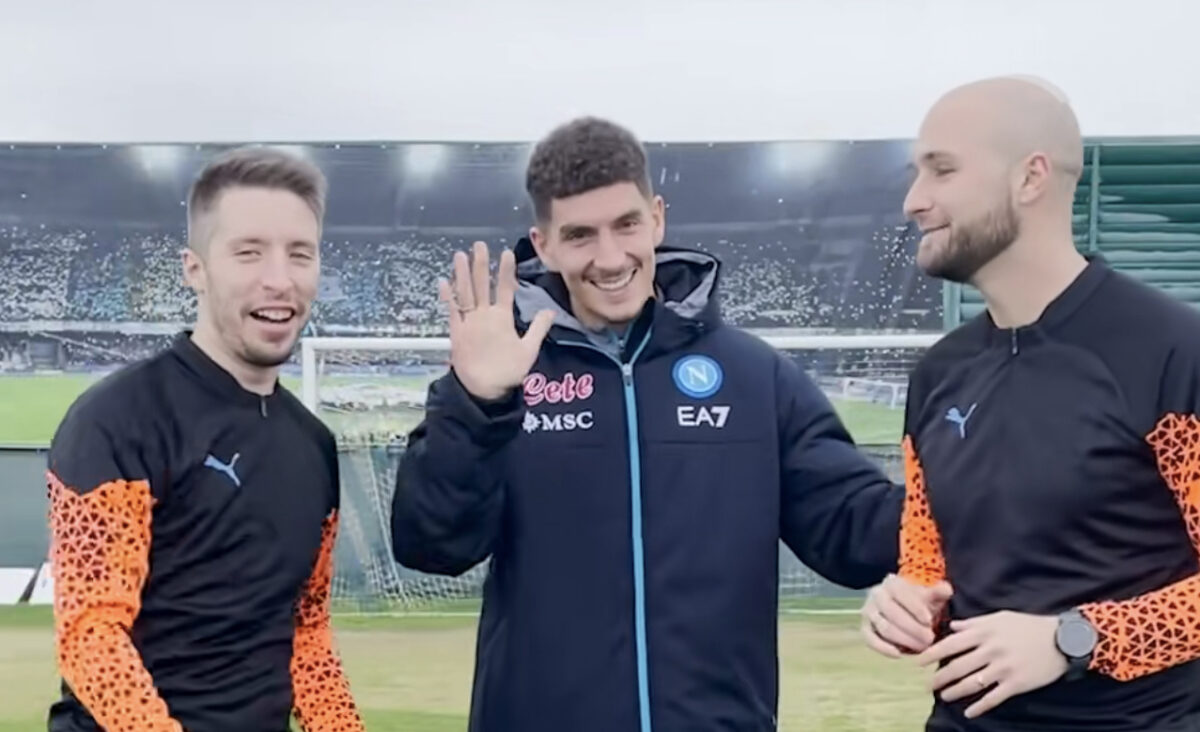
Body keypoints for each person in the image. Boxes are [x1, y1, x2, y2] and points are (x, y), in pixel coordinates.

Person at [391, 116, 906, 731]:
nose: (610, 258)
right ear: (544, 244)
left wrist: (967, 484)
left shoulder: (754, 375)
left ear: (657, 219)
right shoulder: (502, 378)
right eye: (580, 235)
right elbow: (431, 546)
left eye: (627, 225)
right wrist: (476, 405)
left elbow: (853, 531)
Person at [860, 76, 1200, 731]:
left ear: (1030, 177)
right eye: (915, 174)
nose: (914, 200)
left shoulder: (1173, 352)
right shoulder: (938, 374)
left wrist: (1075, 639)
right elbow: (927, 566)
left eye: (942, 170)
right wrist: (905, 603)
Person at [45, 147, 363, 732]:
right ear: (195, 269)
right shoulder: (116, 420)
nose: (279, 279)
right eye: (248, 252)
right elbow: (92, 634)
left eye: (300, 253)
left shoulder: (314, 445)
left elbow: (307, 630)